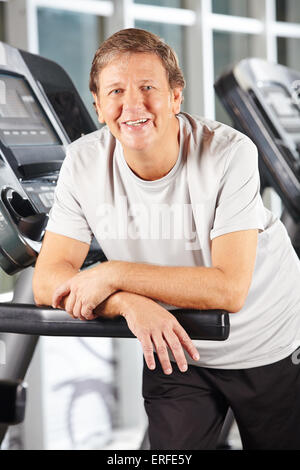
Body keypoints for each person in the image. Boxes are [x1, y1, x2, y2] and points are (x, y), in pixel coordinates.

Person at [33, 28, 300, 450]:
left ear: (176, 96)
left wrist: (113, 272)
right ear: (98, 106)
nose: (132, 104)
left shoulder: (230, 153)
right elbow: (47, 280)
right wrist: (126, 302)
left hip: (265, 337)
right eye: (116, 91)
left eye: (148, 88)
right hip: (172, 336)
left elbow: (229, 289)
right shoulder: (83, 163)